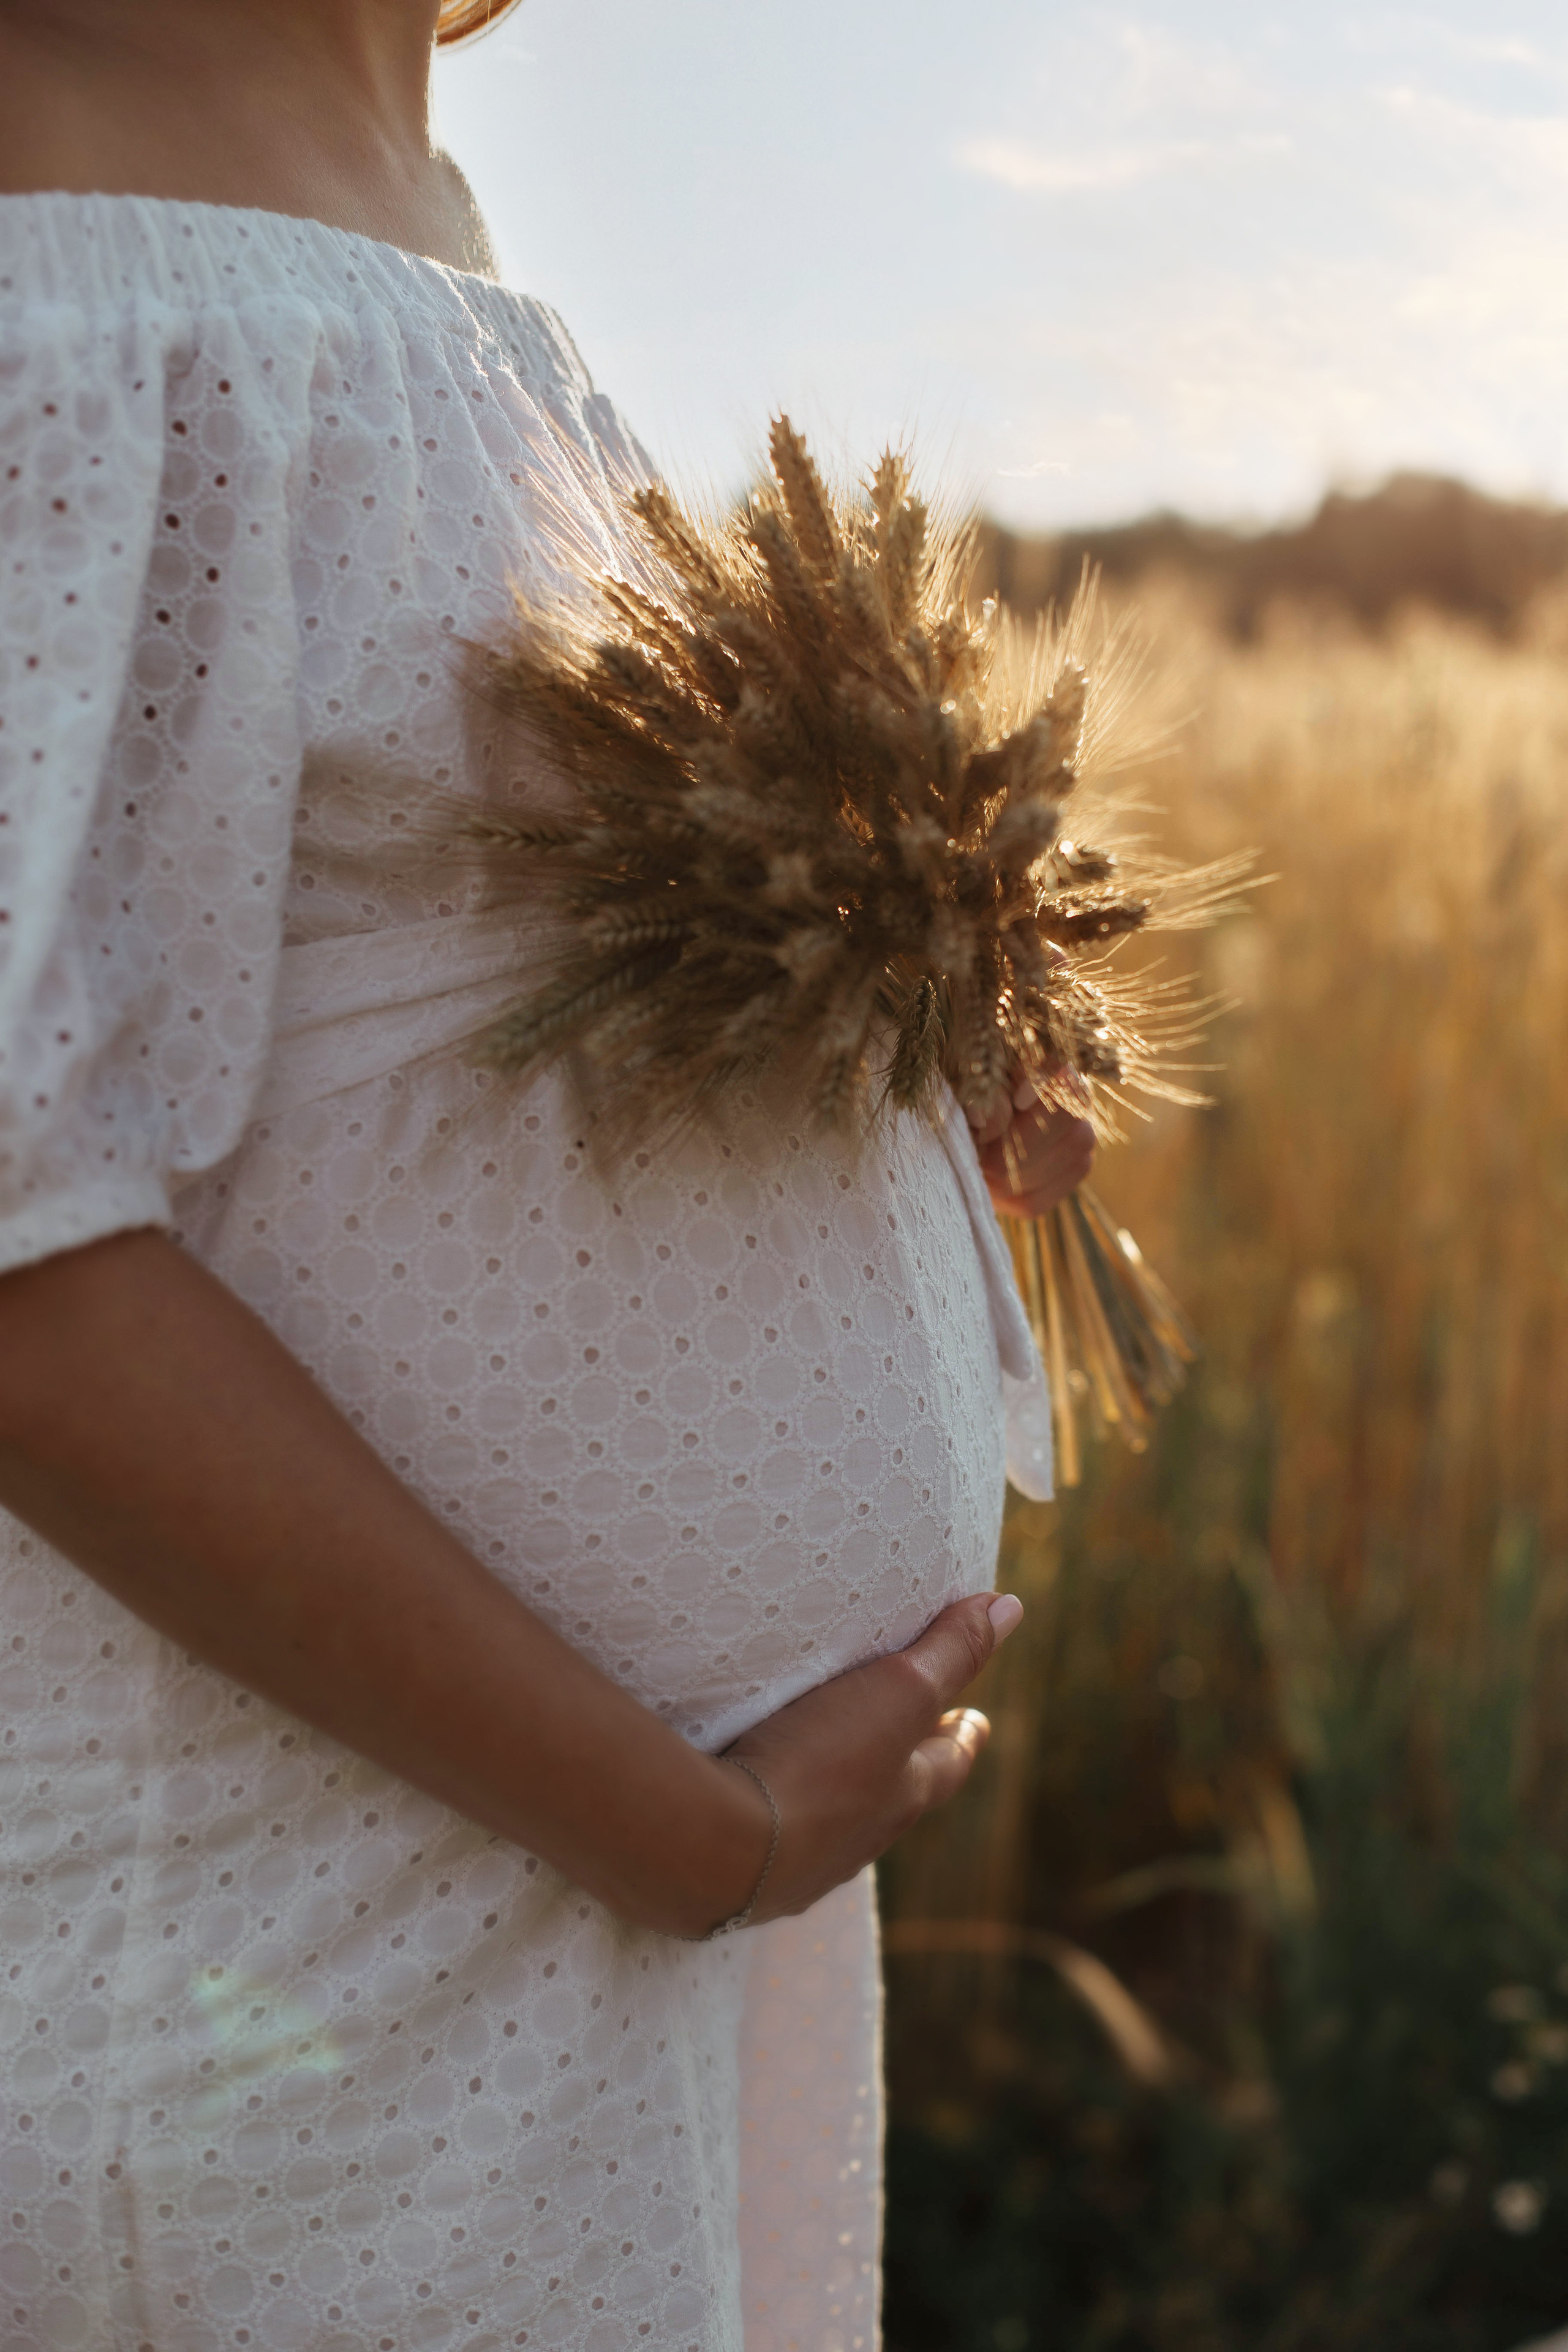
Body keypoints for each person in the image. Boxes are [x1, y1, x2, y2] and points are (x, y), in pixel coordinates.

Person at [0, 4, 1096, 2345]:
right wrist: (679, 1828)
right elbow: (23, 1247)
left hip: (584, 1940)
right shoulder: (64, 268)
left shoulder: (425, 233)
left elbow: (394, 973)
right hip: (322, 1976)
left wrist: (882, 1040)